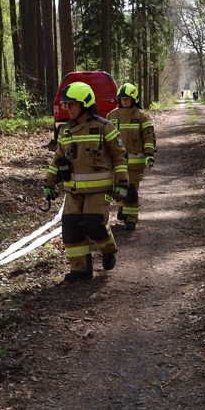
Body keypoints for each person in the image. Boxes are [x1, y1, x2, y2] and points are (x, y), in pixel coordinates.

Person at [42, 81, 129, 281]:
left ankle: (108, 250)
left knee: (94, 224)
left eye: (71, 104)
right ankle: (80, 269)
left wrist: (122, 184)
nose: (68, 108)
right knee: (71, 228)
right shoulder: (65, 131)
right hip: (73, 190)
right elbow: (57, 158)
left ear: (85, 104)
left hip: (99, 190)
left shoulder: (104, 127)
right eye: (66, 104)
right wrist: (49, 183)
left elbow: (119, 157)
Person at [107, 83, 157, 232]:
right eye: (122, 98)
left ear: (134, 99)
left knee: (131, 191)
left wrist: (149, 154)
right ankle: (122, 208)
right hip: (117, 163)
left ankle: (131, 219)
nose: (124, 101)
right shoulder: (111, 116)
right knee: (118, 190)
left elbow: (149, 136)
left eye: (127, 99)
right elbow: (104, 139)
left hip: (135, 163)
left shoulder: (141, 116)